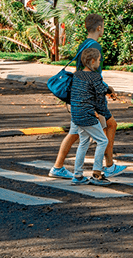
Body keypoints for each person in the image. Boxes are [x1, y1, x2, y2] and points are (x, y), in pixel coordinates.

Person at [50, 14, 125, 179]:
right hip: (90, 98)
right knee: (110, 125)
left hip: (79, 94)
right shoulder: (95, 47)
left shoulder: (83, 44)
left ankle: (58, 167)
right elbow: (95, 75)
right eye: (103, 27)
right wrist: (105, 91)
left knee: (75, 133)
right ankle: (108, 166)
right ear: (99, 28)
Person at [64, 46, 113, 185]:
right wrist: (110, 92)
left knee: (84, 143)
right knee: (103, 141)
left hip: (76, 114)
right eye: (98, 60)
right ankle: (97, 174)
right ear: (92, 61)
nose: (99, 62)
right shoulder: (95, 76)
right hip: (87, 115)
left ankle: (78, 175)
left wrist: (107, 90)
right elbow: (101, 94)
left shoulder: (77, 75)